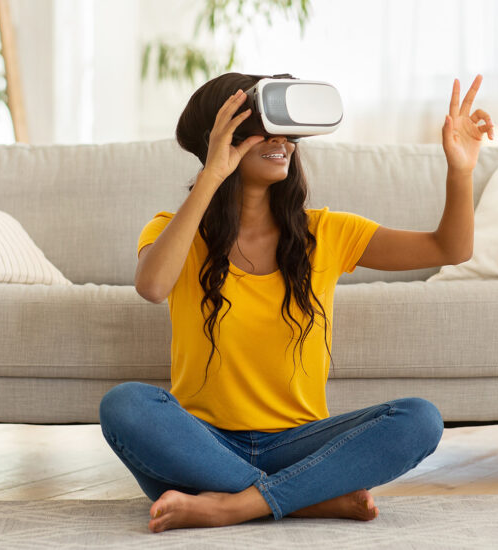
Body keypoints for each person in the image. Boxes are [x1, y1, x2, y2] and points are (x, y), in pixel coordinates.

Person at [99, 72, 446, 532]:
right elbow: (152, 287)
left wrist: (460, 169)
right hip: (204, 444)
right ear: (225, 139)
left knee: (420, 419)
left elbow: (448, 249)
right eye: (265, 129)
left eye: (288, 132)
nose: (283, 142)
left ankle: (233, 505)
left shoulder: (326, 231)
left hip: (300, 440)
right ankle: (305, 497)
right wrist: (212, 174)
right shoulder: (173, 228)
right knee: (124, 405)